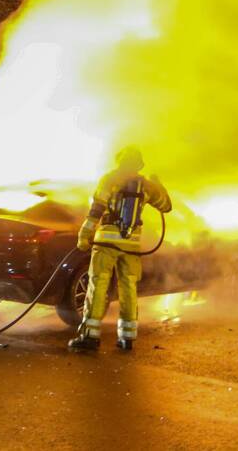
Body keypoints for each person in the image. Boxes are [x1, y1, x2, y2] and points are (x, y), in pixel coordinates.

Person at [68, 146, 171, 352]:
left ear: (120, 161)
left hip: (106, 242)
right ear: (138, 164)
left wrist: (84, 235)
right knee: (129, 288)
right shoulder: (145, 185)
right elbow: (166, 206)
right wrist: (160, 186)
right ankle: (127, 338)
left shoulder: (110, 179)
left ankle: (90, 336)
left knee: (98, 285)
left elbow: (96, 209)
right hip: (131, 245)